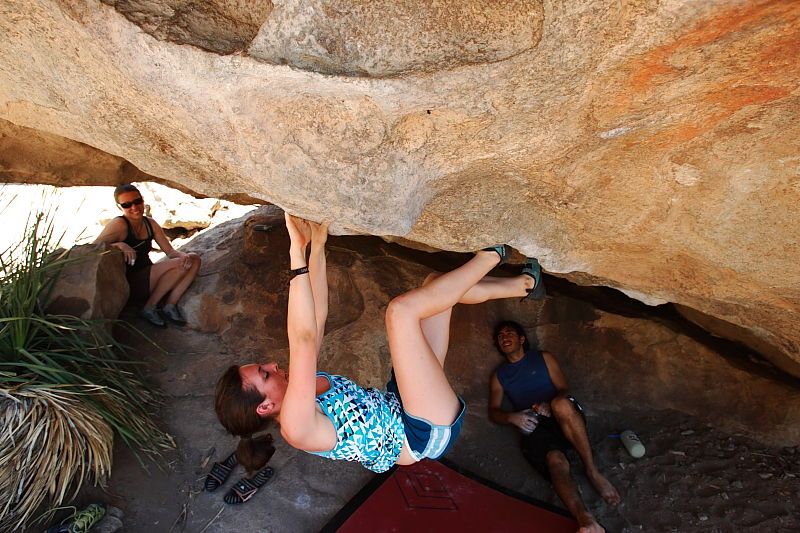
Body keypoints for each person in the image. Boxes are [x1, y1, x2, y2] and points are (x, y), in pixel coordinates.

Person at [213, 214, 545, 503]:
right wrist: (295, 251)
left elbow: (317, 316)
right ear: (265, 407)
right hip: (419, 433)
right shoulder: (297, 427)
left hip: (401, 399)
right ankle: (494, 252)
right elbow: (302, 338)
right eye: (265, 375)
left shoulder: (295, 387)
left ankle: (526, 284)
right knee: (401, 312)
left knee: (434, 290)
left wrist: (317, 245)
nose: (272, 365)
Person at [488, 320, 620, 533]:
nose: (504, 337)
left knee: (561, 403)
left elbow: (564, 389)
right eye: (500, 335)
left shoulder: (543, 358)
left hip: (561, 414)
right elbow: (493, 411)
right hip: (534, 423)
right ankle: (585, 518)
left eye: (509, 333)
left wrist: (550, 405)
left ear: (522, 339)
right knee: (554, 460)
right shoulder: (500, 375)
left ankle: (592, 471)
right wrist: (512, 417)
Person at [94, 184, 201, 327]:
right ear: (120, 207)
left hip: (150, 276)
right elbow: (93, 247)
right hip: (131, 283)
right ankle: (149, 307)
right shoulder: (119, 224)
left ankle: (170, 305)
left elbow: (170, 252)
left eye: (137, 201)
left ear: (142, 200)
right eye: (127, 204)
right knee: (179, 264)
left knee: (194, 259)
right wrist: (119, 245)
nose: (134, 207)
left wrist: (183, 256)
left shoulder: (150, 223)